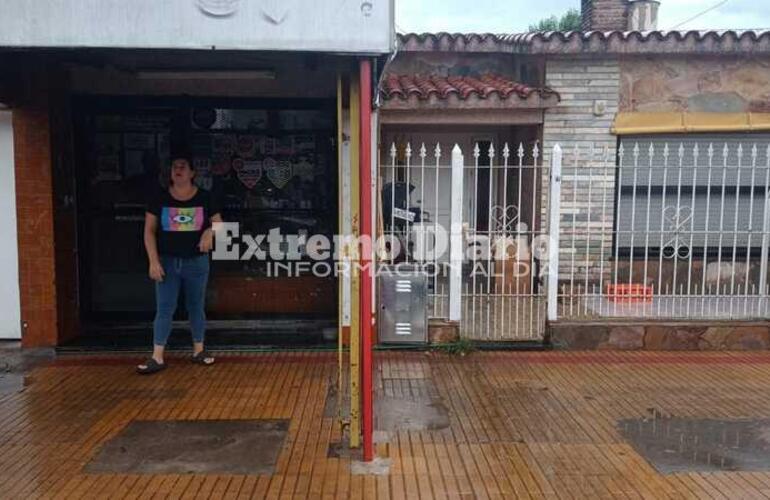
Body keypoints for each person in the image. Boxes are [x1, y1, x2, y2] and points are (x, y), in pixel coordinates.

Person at [137, 154, 222, 374]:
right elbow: (148, 231)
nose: (179, 170)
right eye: (175, 166)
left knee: (196, 306)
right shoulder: (159, 198)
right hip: (167, 261)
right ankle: (157, 357)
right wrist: (153, 261)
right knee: (165, 308)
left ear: (192, 173)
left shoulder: (205, 197)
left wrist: (209, 232)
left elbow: (220, 225)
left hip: (196, 262)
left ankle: (199, 350)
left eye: (183, 166)